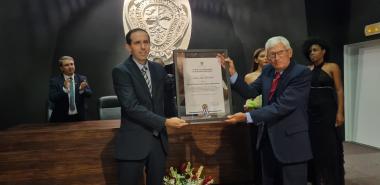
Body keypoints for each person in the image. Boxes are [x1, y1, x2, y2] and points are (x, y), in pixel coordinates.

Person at [219, 36, 313, 185]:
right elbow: (251, 92)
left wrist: (247, 116)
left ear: (289, 52)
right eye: (271, 55)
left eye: (280, 53)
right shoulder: (268, 70)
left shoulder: (301, 73)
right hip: (268, 141)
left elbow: (281, 106)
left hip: (292, 144)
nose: (275, 58)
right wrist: (233, 75)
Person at [112, 28, 188, 185]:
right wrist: (165, 122)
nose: (143, 47)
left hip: (158, 142)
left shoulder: (158, 69)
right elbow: (131, 107)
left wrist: (183, 115)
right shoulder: (121, 71)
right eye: (137, 43)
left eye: (146, 42)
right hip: (134, 142)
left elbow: (167, 101)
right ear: (128, 47)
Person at [303, 38, 345, 185]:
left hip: (328, 111)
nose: (312, 53)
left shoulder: (332, 67)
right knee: (314, 145)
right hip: (310, 112)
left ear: (324, 51)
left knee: (329, 146)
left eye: (315, 50)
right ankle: (316, 179)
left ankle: (332, 179)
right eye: (310, 51)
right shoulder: (307, 70)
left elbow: (339, 90)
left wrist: (340, 112)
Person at [49, 56, 92, 123]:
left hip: (79, 117)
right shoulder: (55, 81)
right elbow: (52, 98)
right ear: (61, 68)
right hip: (61, 118)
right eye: (66, 65)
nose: (70, 67)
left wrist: (82, 90)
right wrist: (64, 89)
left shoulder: (82, 78)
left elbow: (89, 94)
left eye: (72, 64)